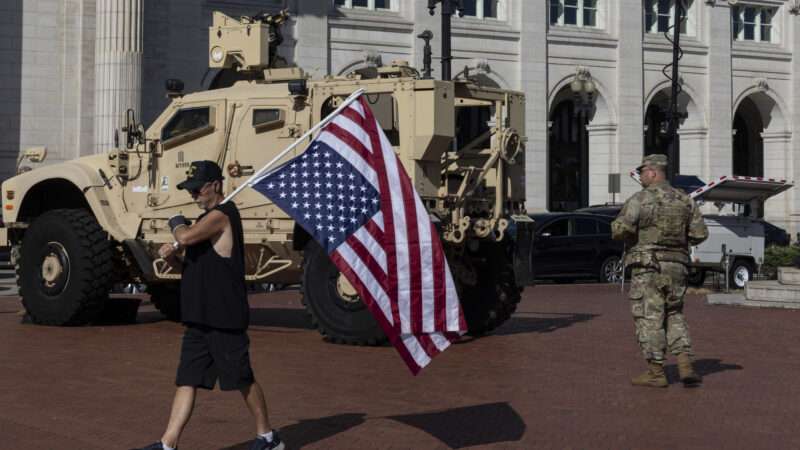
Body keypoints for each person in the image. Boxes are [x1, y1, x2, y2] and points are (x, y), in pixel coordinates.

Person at [134, 161, 284, 450]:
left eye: (197, 188)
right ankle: (168, 443)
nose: (193, 195)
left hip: (224, 318)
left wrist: (176, 223)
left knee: (242, 378)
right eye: (189, 190)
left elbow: (186, 236)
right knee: (187, 379)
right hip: (198, 318)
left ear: (215, 185)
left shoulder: (223, 216)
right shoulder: (203, 222)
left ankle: (268, 437)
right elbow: (194, 268)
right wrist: (171, 260)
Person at [611, 154, 708, 388]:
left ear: (653, 172)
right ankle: (685, 365)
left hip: (649, 266)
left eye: (643, 172)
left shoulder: (641, 199)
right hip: (677, 267)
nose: (641, 176)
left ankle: (656, 372)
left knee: (649, 316)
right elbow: (700, 234)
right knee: (674, 313)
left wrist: (629, 234)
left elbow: (620, 229)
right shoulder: (685, 200)